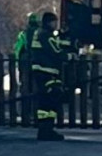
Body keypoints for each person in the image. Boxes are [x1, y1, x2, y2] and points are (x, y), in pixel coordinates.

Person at [30, 12, 74, 141]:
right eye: (53, 22)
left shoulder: (41, 34)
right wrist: (69, 56)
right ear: (48, 22)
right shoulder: (45, 35)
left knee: (48, 100)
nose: (55, 24)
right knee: (50, 99)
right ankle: (46, 129)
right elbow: (55, 51)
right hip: (46, 72)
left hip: (43, 71)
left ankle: (45, 128)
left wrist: (67, 41)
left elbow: (57, 43)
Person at [14, 13, 40, 98]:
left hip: (26, 59)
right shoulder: (41, 33)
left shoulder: (23, 34)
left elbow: (18, 47)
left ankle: (25, 101)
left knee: (25, 80)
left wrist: (17, 60)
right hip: (37, 59)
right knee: (36, 80)